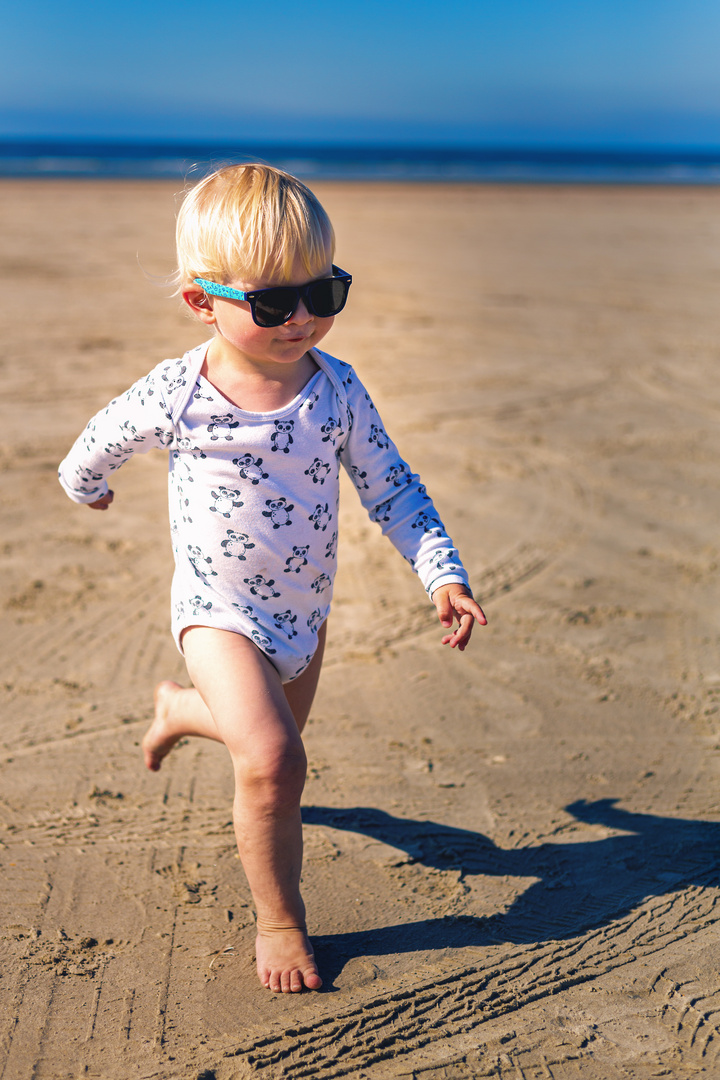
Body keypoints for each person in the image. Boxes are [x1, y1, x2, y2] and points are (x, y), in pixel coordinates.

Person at [58, 163, 487, 994]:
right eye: (270, 303)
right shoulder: (179, 393)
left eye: (323, 294)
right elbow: (98, 439)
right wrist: (88, 486)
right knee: (276, 763)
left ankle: (182, 711)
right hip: (216, 610)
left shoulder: (337, 393)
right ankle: (280, 919)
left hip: (303, 615)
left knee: (272, 746)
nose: (301, 319)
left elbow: (392, 487)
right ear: (201, 301)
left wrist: (443, 573)